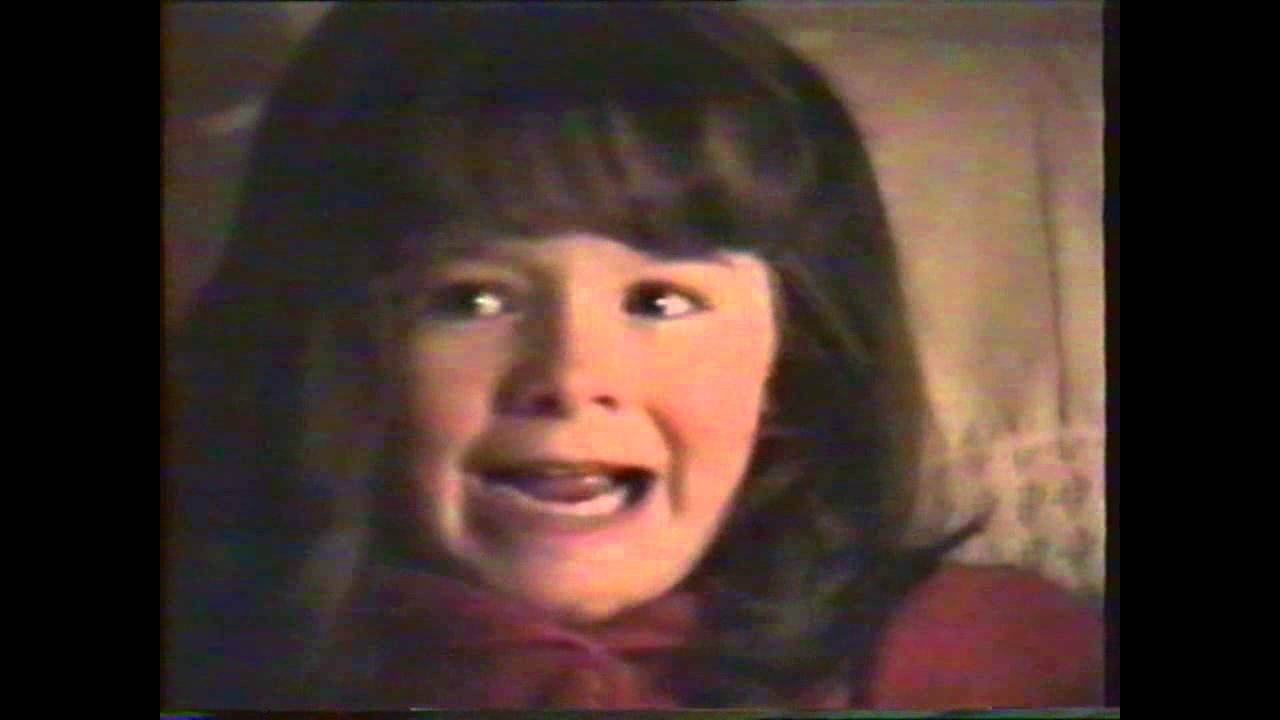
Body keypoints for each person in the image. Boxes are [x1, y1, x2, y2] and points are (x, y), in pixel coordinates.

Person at [164, 4, 1103, 710]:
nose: (572, 377)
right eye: (473, 300)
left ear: (791, 367)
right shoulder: (222, 661)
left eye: (659, 302)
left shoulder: (985, 658)